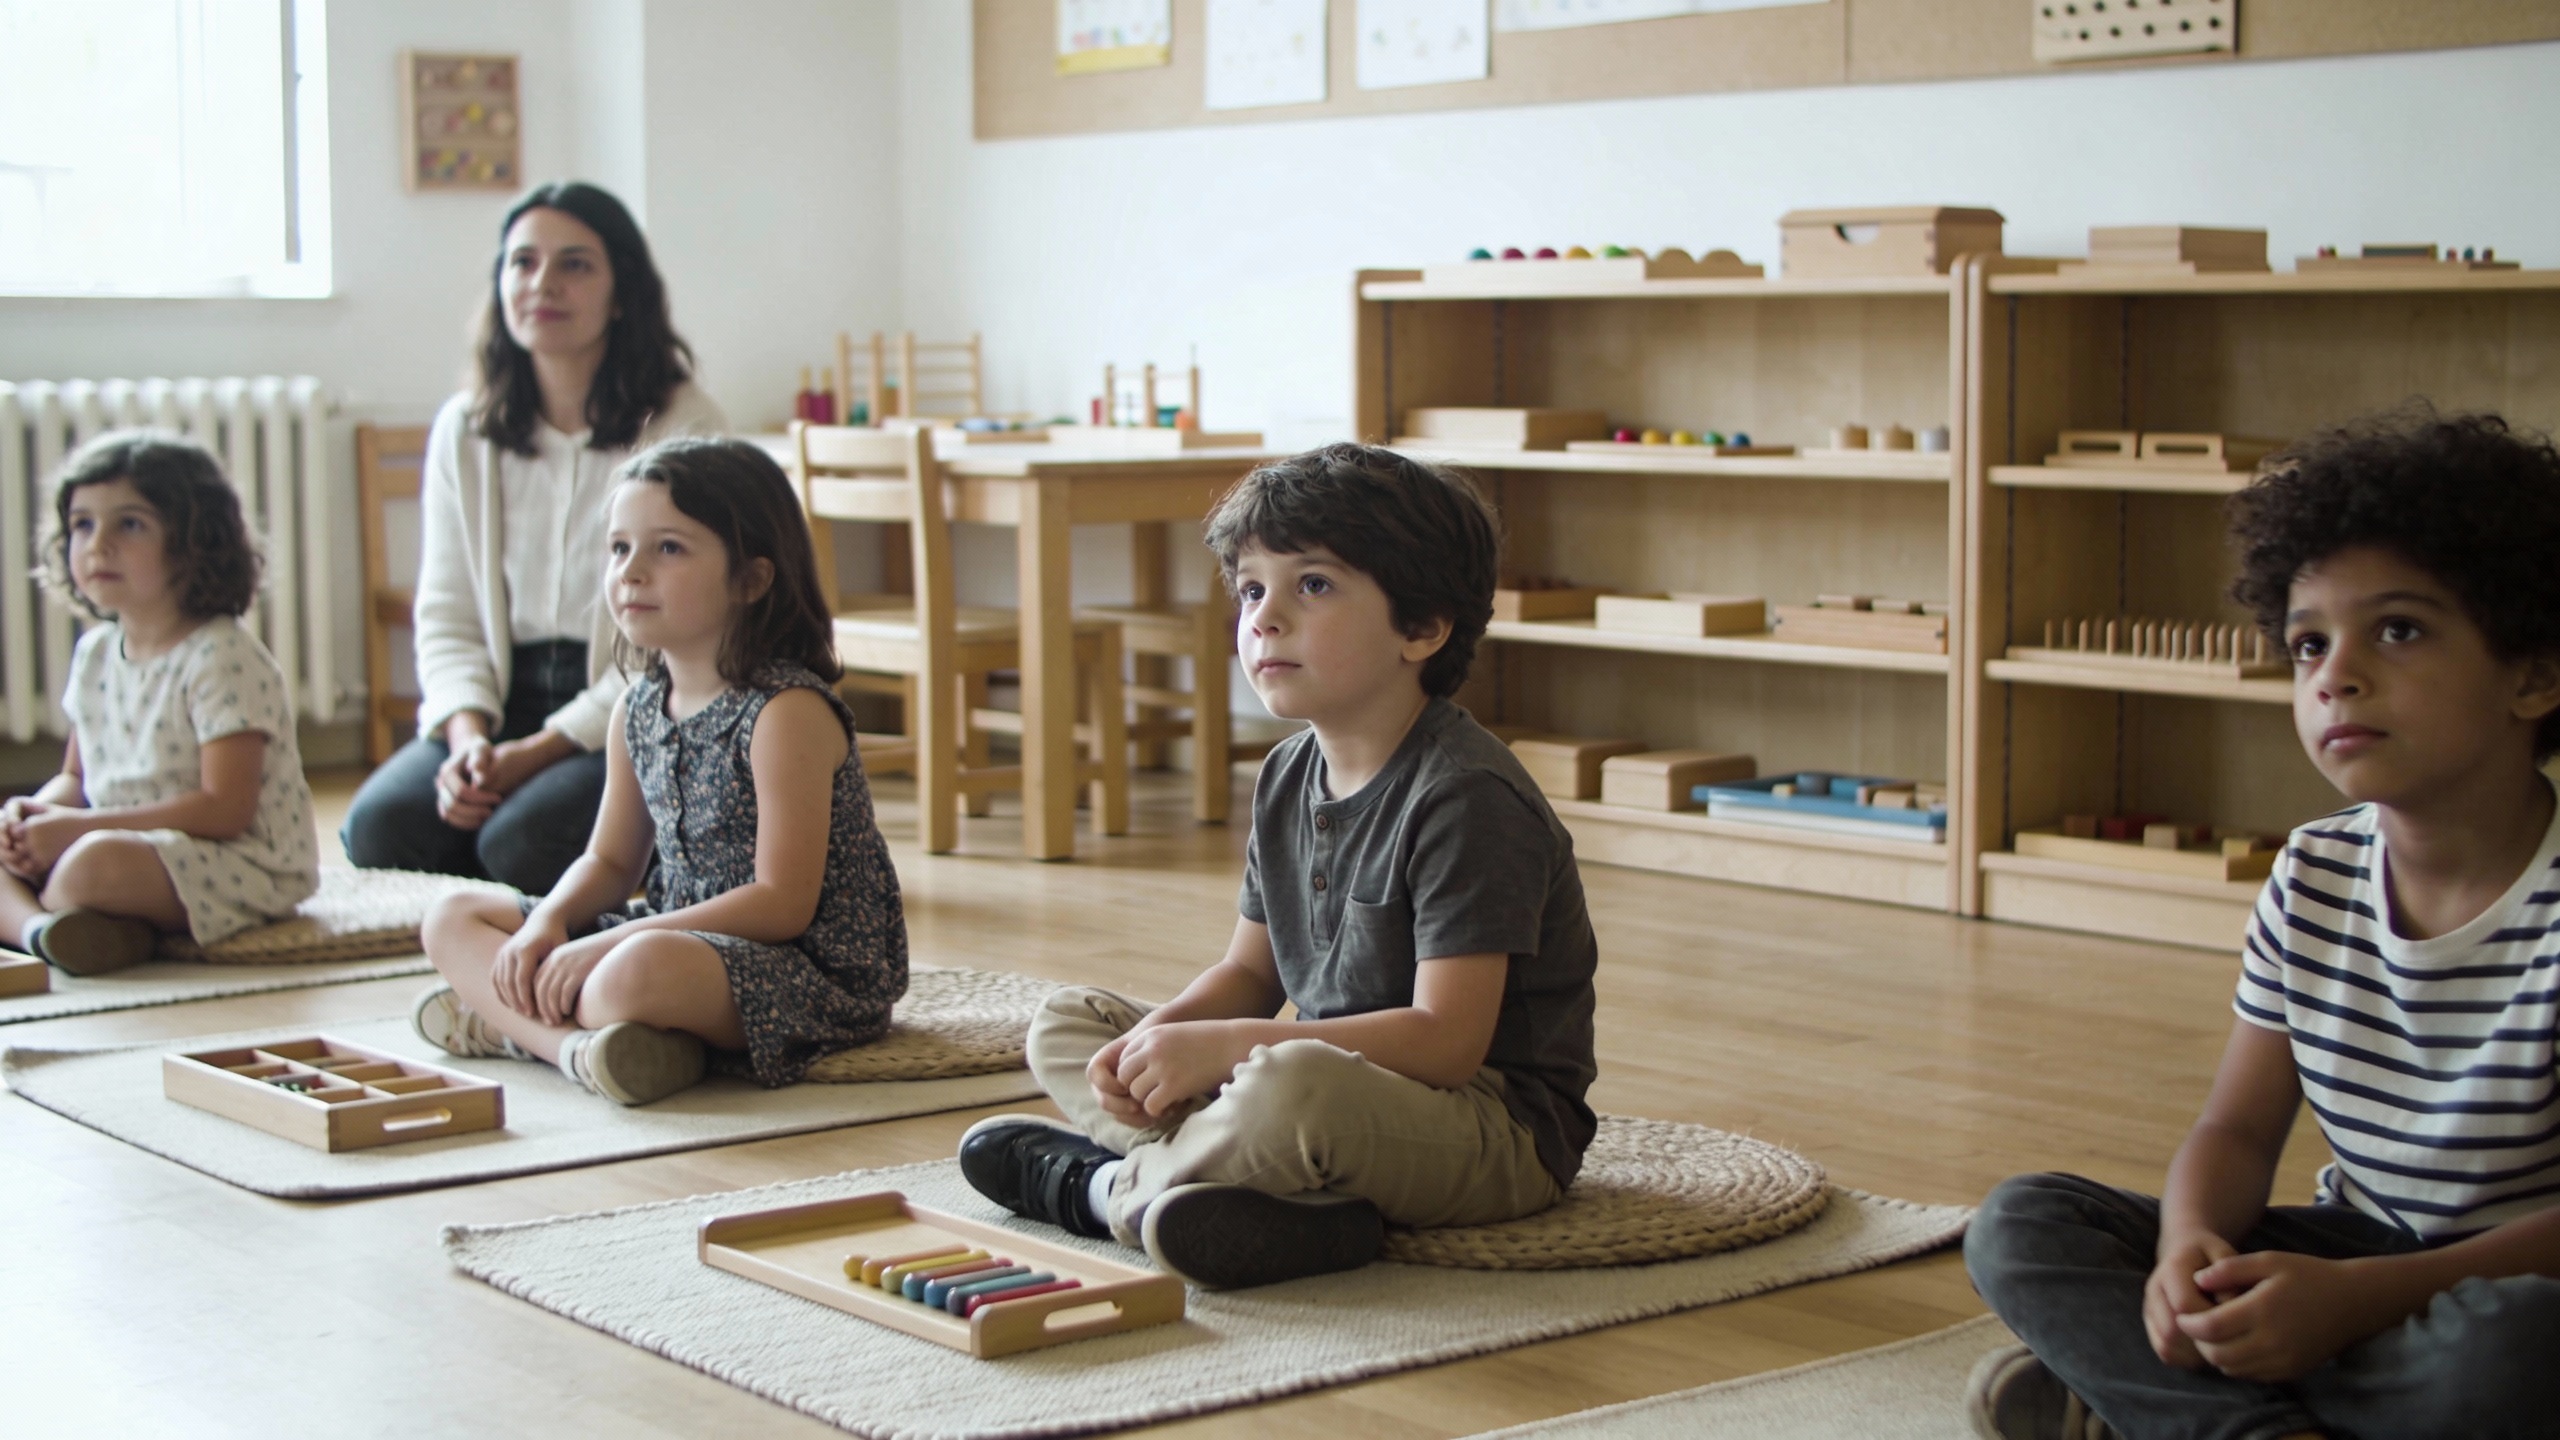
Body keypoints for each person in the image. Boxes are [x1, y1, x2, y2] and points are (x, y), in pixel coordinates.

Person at [1964, 411, 2560, 1440]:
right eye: (2307, 644)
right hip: (2348, 1249)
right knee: (2021, 1222)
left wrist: (2356, 1307)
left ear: (2532, 676)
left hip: (2505, 1281)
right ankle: (2261, 1424)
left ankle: (2157, 1406)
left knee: (2511, 1348)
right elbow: (2234, 1131)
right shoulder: (2313, 871)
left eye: (2399, 630)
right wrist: (2186, 1248)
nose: (2337, 673)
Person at [958, 443, 1599, 1289]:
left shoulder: (1466, 794)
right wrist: (1164, 1039)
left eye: (1315, 585)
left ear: (1423, 626)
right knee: (1070, 1023)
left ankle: (1103, 1188)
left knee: (1288, 1083)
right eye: (1253, 588)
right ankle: (1277, 1203)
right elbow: (1246, 974)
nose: (1265, 617)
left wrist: (1231, 1050)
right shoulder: (1287, 773)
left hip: (1489, 1130)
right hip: (1316, 1080)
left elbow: (1446, 1044)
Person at [413, 438, 907, 1106]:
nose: (631, 571)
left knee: (630, 973)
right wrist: (548, 923)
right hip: (678, 932)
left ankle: (512, 1027)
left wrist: (612, 941)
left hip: (799, 968)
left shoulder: (786, 711)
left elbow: (781, 903)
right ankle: (574, 1050)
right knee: (450, 915)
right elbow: (611, 862)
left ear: (751, 579)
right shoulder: (636, 706)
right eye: (619, 548)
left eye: (668, 548)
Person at [341, 180, 725, 894]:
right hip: (499, 699)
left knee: (519, 843)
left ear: (621, 292)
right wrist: (468, 741)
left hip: (630, 710)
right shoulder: (467, 427)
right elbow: (447, 610)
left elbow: (676, 638)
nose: (542, 283)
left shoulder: (683, 422)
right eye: (522, 263)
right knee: (381, 831)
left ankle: (655, 845)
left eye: (575, 264)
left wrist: (539, 753)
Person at [0, 433, 319, 975]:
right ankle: (43, 933)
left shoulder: (222, 656)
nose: (98, 544)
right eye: (82, 524)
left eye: (129, 524)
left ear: (195, 542)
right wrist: (31, 817)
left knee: (90, 864)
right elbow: (76, 780)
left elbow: (224, 810)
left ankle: (57, 916)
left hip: (235, 859)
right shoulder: (97, 652)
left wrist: (75, 831)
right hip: (120, 841)